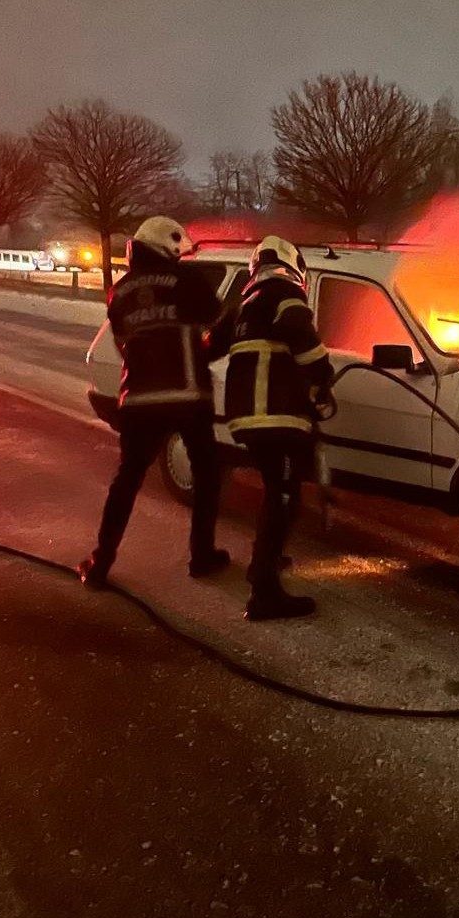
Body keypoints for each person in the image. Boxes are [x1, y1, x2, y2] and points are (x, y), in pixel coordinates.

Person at [78, 216, 230, 588]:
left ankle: (100, 564)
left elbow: (123, 341)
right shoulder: (189, 282)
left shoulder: (119, 292)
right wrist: (205, 351)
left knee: (127, 479)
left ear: (138, 248)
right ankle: (201, 556)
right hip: (187, 396)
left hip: (139, 401)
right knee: (207, 475)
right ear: (171, 250)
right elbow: (221, 323)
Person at [222, 236, 335, 620]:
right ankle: (264, 595)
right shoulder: (284, 292)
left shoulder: (244, 303)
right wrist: (323, 374)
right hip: (274, 417)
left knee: (277, 493)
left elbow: (210, 346)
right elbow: (300, 333)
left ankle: (262, 565)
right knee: (283, 499)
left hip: (248, 417)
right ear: (294, 265)